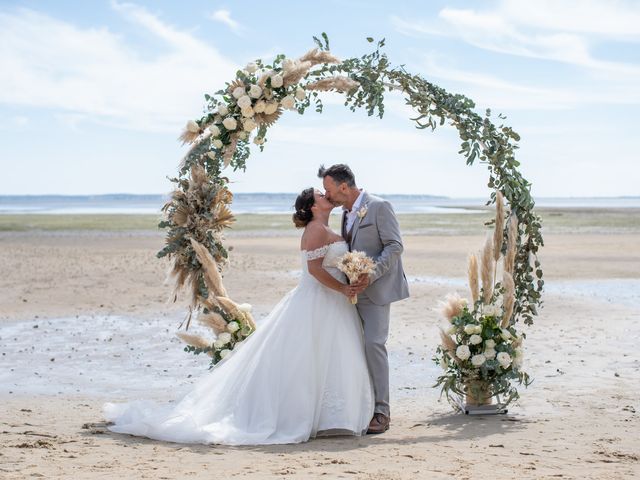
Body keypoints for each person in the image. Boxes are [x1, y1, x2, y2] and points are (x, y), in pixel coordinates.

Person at [103, 188, 374, 445]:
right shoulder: (315, 229)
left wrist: (351, 276)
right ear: (313, 206)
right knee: (307, 357)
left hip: (332, 302)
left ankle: (332, 417)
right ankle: (311, 416)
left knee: (330, 355)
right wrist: (342, 287)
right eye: (320, 194)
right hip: (318, 300)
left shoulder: (326, 228)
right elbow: (314, 270)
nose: (326, 195)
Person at [319, 164, 409, 434]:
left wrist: (370, 274)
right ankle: (363, 406)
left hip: (377, 290)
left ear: (344, 187)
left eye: (329, 190)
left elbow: (395, 246)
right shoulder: (345, 214)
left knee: (374, 345)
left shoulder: (379, 207)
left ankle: (382, 410)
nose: (328, 196)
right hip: (352, 294)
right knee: (354, 348)